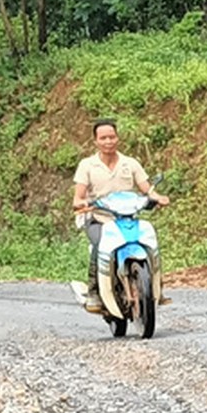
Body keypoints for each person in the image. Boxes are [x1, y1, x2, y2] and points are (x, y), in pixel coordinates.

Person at [72, 119, 169, 313]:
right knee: (99, 245)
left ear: (118, 138)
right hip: (99, 219)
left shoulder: (130, 163)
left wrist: (158, 198)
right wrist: (81, 203)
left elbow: (146, 188)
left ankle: (156, 287)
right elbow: (78, 197)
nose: (108, 141)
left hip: (127, 219)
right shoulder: (87, 165)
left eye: (112, 137)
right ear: (95, 141)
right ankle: (94, 292)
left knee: (149, 243)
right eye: (103, 138)